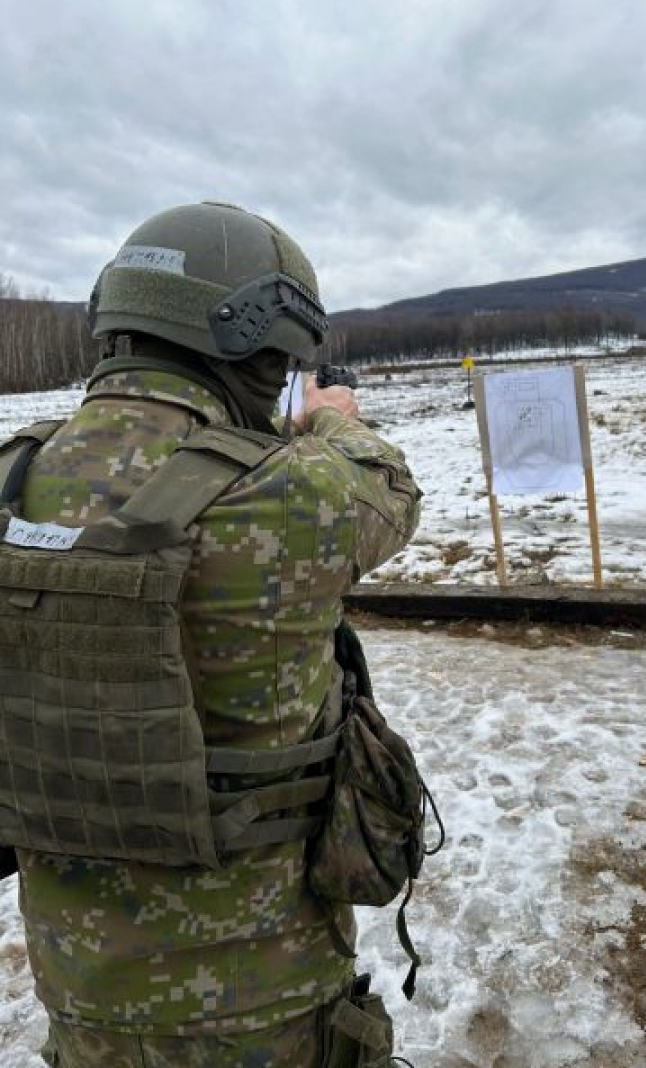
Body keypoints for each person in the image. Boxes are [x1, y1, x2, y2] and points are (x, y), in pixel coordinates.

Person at [5, 202, 422, 1066]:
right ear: (256, 344)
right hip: (266, 996)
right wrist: (333, 415)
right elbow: (391, 487)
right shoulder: (292, 492)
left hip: (78, 987)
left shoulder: (10, 482)